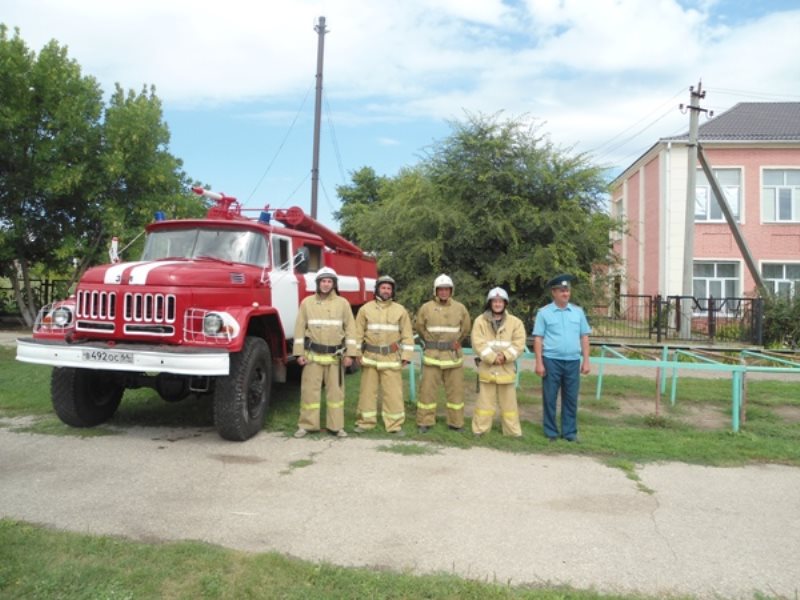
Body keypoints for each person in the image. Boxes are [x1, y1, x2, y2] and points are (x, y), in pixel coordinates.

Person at [292, 267, 357, 438]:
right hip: (312, 357)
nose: (326, 284)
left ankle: (336, 427)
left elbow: (350, 329)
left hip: (335, 358)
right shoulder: (307, 303)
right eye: (323, 281)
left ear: (334, 284)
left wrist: (350, 354)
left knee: (336, 394)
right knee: (309, 392)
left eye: (329, 281)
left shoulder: (343, 303)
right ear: (318, 283)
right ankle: (307, 425)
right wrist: (299, 354)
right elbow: (299, 329)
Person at [532, 274, 592, 443]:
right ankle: (551, 432)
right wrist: (539, 363)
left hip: (573, 361)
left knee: (571, 398)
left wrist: (586, 360)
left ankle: (569, 432)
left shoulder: (578, 312)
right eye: (562, 291)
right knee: (550, 397)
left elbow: (584, 337)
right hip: (551, 360)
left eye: (567, 290)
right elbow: (538, 338)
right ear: (554, 292)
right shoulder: (544, 313)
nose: (566, 293)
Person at [354, 275, 415, 435]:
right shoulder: (365, 309)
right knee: (367, 393)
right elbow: (357, 334)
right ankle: (365, 422)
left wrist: (407, 356)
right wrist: (356, 353)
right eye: (383, 288)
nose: (386, 291)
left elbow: (407, 335)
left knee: (393, 394)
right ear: (377, 289)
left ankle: (394, 425)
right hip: (370, 358)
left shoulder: (400, 310)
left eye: (389, 288)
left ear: (392, 291)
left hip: (391, 358)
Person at [414, 274, 471, 433]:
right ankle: (424, 422)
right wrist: (430, 341)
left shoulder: (460, 308)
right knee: (427, 391)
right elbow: (419, 327)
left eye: (447, 289)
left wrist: (456, 341)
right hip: (432, 356)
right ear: (436, 291)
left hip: (452, 357)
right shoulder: (426, 308)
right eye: (441, 289)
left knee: (456, 392)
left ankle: (456, 423)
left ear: (451, 291)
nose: (444, 292)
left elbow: (465, 328)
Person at [470, 287, 526, 437]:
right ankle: (480, 430)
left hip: (506, 370)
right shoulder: (480, 321)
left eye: (500, 301)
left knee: (509, 405)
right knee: (484, 403)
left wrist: (505, 356)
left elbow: (519, 344)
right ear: (490, 303)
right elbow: (477, 343)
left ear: (505, 303)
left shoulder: (516, 323)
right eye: (494, 301)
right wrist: (493, 357)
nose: (497, 304)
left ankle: (512, 432)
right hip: (487, 370)